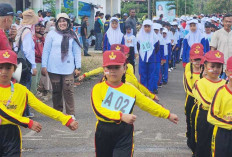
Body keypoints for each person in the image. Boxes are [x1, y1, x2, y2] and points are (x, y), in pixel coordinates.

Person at [91, 50, 178, 157]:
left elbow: (147, 103)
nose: (113, 71)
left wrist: (167, 114)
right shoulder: (98, 88)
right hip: (103, 131)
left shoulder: (130, 89)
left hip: (124, 132)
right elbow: (99, 110)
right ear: (104, 70)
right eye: (109, 68)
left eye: (117, 67)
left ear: (124, 68)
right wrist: (121, 116)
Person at [0, 49, 78, 157]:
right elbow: (3, 113)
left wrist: (65, 119)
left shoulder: (21, 90)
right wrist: (28, 122)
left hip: (12, 136)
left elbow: (41, 107)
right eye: (1, 67)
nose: (4, 71)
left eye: (8, 68)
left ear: (14, 69)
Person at [79, 44, 158, 101]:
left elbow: (135, 83)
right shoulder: (106, 71)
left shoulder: (128, 67)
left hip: (122, 96)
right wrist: (85, 75)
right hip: (107, 94)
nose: (113, 70)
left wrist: (150, 96)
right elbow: (99, 69)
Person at [42, 13, 81, 119]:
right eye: (60, 21)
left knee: (68, 90)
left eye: (64, 21)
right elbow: (46, 50)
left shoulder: (73, 34)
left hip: (68, 68)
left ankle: (70, 113)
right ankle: (58, 112)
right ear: (57, 23)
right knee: (56, 91)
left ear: (68, 22)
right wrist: (43, 65)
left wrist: (78, 67)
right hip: (53, 67)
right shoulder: (51, 34)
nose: (62, 23)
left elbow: (77, 52)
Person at [192, 50, 226, 157]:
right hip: (205, 118)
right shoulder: (200, 83)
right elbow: (206, 102)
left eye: (219, 66)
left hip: (221, 119)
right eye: (213, 66)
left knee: (219, 147)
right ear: (205, 66)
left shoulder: (225, 84)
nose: (216, 69)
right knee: (203, 145)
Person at [15, 9, 39, 117]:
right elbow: (28, 51)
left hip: (18, 62)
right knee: (25, 87)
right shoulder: (28, 32)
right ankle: (25, 112)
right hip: (25, 63)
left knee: (19, 86)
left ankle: (20, 111)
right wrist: (33, 66)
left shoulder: (20, 29)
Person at [208, 56, 232, 157]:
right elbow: (211, 116)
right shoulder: (221, 92)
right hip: (223, 133)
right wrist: (229, 124)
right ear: (227, 72)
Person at [184, 48, 203, 155]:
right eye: (195, 60)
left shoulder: (204, 69)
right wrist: (200, 96)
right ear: (191, 60)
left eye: (199, 59)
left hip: (201, 102)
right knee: (190, 121)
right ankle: (190, 140)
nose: (197, 62)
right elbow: (188, 88)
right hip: (192, 100)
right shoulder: (188, 71)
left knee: (199, 124)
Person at [137, 19, 160, 94]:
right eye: (145, 26)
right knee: (143, 74)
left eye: (148, 26)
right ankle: (143, 90)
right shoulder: (139, 36)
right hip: (142, 59)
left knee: (151, 75)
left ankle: (150, 91)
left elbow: (157, 48)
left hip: (152, 59)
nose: (147, 28)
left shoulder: (155, 37)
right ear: (143, 27)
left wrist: (151, 54)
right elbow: (138, 47)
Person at [31, 23, 45, 96]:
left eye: (39, 26)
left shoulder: (40, 38)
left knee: (38, 78)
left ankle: (35, 93)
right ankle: (33, 94)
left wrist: (41, 37)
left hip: (40, 60)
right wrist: (40, 55)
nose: (38, 28)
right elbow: (33, 50)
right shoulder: (32, 38)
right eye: (36, 26)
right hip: (35, 61)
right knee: (34, 79)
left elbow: (44, 45)